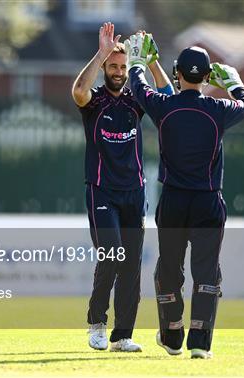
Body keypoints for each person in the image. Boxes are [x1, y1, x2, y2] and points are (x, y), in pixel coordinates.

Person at [124, 33, 244, 358]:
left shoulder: (164, 106)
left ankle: (171, 337)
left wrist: (138, 61)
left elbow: (138, 87)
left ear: (177, 73)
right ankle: (199, 342)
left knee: (169, 269)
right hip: (209, 201)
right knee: (206, 270)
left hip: (174, 201)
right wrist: (234, 81)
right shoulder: (218, 109)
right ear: (207, 77)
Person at [71, 23, 173, 352]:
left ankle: (122, 335)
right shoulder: (95, 102)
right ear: (104, 68)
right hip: (102, 190)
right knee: (111, 254)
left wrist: (152, 60)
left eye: (123, 66)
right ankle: (97, 323)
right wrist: (101, 51)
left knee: (130, 262)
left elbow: (169, 99)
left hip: (134, 193)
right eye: (112, 66)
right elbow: (77, 91)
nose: (118, 72)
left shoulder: (135, 100)